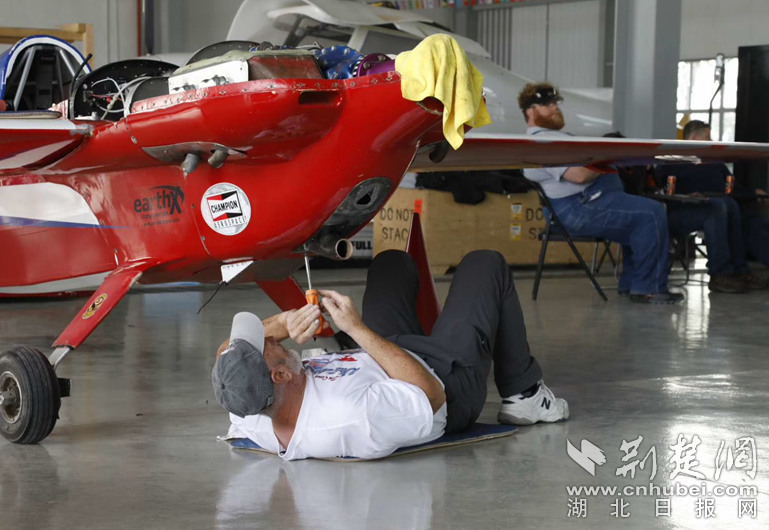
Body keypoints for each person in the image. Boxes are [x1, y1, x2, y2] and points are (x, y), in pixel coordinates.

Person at [212, 250, 568, 461]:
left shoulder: (246, 403)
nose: (272, 338)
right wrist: (356, 329)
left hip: (377, 355)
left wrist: (286, 322)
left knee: (390, 262)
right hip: (443, 379)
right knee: (484, 263)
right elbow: (430, 395)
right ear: (280, 375)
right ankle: (525, 394)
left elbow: (226, 353)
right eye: (268, 344)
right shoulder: (352, 418)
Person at [519, 82, 683, 304]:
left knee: (639, 221)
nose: (555, 107)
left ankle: (633, 285)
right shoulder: (542, 142)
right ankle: (649, 288)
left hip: (587, 202)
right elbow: (579, 176)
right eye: (547, 105)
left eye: (555, 103)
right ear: (531, 112)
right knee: (652, 213)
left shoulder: (552, 138)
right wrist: (606, 156)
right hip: (577, 208)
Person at [654, 120, 768, 291]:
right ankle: (720, 273)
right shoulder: (673, 161)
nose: (711, 140)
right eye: (707, 137)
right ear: (693, 138)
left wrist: (754, 192)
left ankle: (739, 270)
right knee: (718, 207)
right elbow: (661, 189)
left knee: (731, 205)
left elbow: (733, 187)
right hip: (683, 210)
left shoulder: (714, 162)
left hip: (718, 206)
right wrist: (686, 196)